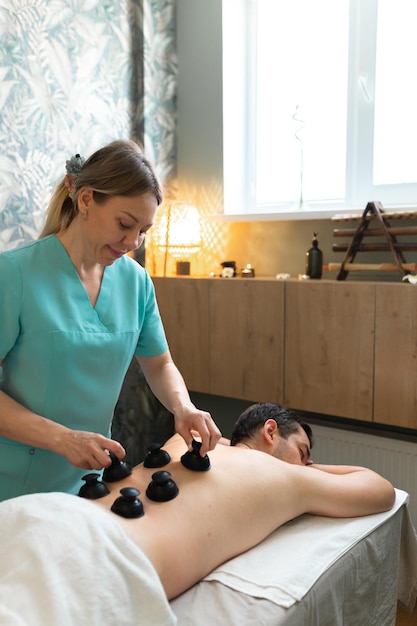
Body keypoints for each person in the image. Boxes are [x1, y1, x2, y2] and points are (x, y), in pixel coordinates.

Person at [0, 139, 221, 501]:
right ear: (86, 199)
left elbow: (159, 362)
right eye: (125, 223)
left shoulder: (135, 282)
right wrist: (62, 438)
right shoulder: (14, 274)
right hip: (13, 483)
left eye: (144, 230)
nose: (133, 240)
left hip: (90, 482)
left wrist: (184, 407)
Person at [89, 402, 395, 600]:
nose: (306, 467)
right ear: (271, 431)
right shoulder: (284, 476)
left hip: (66, 520)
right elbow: (381, 489)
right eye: (303, 453)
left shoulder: (182, 441)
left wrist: (297, 463)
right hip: (111, 567)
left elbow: (222, 443)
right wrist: (301, 470)